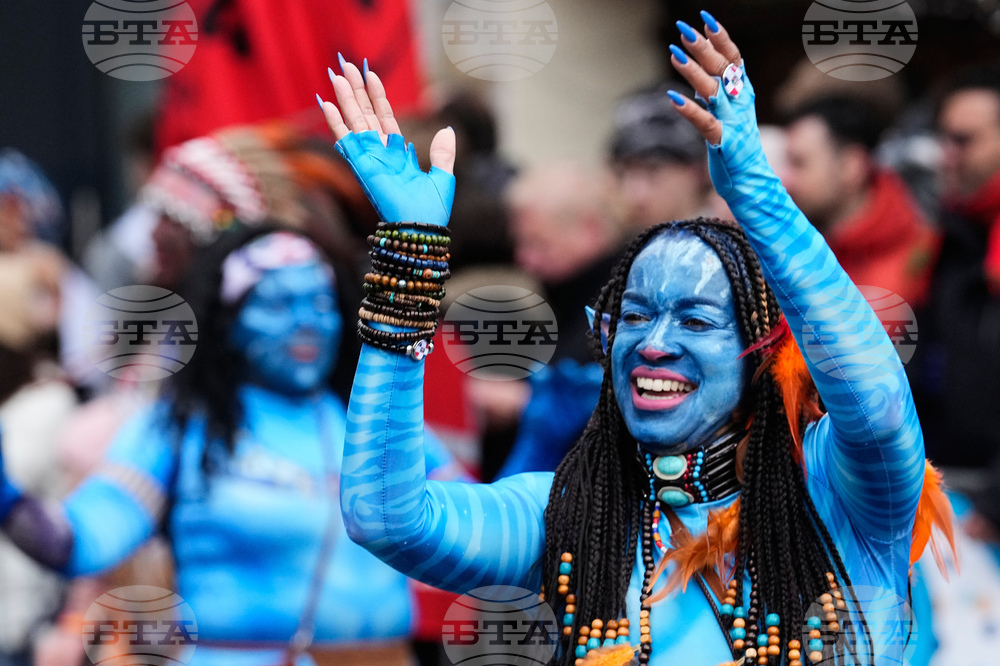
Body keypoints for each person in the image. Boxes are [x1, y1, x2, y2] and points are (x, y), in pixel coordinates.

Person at [319, 14, 954, 666]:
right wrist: (409, 257)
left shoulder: (837, 490)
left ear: (760, 352)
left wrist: (759, 197)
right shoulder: (574, 516)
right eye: (636, 316)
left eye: (697, 320)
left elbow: (875, 406)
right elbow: (387, 519)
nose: (654, 343)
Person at [0, 226, 464, 666]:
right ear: (229, 320)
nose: (307, 323)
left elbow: (480, 528)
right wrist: (8, 497)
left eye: (320, 303)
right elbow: (82, 539)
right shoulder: (179, 426)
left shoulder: (380, 422)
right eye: (278, 305)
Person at [907, 63, 1000, 477]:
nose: (948, 155)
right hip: (952, 487)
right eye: (943, 139)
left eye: (964, 140)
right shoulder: (953, 239)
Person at [782, 96, 938, 306]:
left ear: (851, 165)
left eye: (800, 163)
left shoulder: (927, 254)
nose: (786, 180)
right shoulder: (796, 253)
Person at [608, 84, 715, 231]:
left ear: (695, 170)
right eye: (625, 173)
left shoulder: (738, 245)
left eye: (652, 170)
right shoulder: (629, 248)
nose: (634, 194)